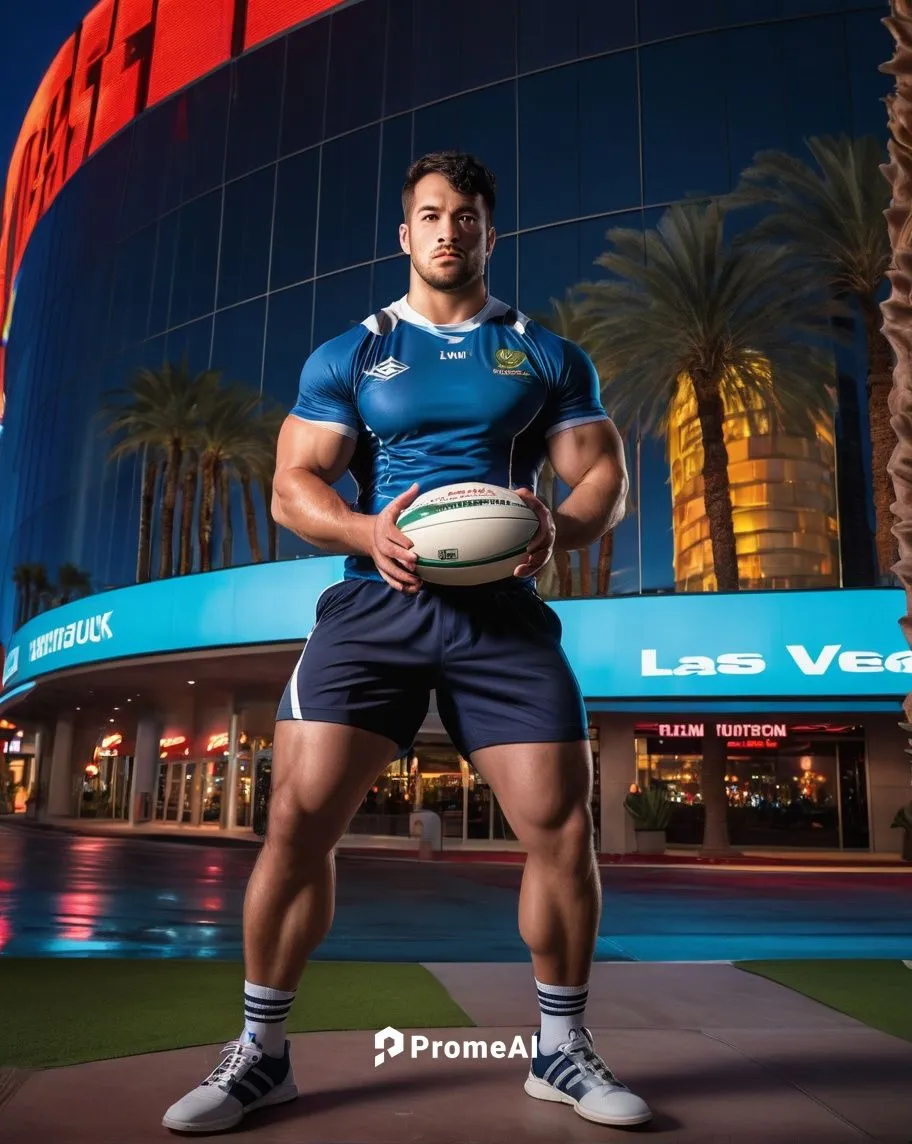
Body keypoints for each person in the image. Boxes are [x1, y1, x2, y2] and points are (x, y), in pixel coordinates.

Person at [162, 151, 651, 1133]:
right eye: (430, 214)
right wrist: (362, 531)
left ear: (488, 231)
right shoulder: (352, 351)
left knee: (559, 826)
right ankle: (262, 1052)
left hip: (502, 615)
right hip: (374, 606)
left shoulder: (545, 353)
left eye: (466, 215)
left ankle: (558, 1047)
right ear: (405, 232)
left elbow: (600, 476)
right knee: (299, 820)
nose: (448, 231)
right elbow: (294, 483)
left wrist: (560, 524)